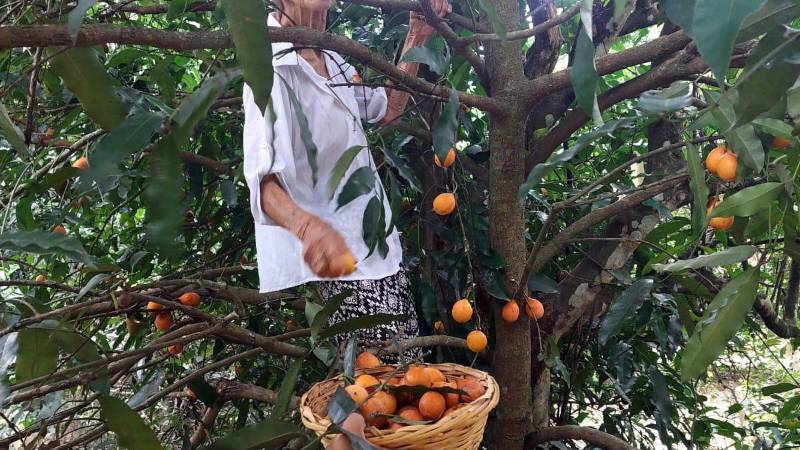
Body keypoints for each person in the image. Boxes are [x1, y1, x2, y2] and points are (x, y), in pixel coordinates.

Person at [243, 0, 451, 354]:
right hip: (339, 261)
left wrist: (417, 34)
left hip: (375, 248)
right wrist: (308, 230)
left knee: (409, 378)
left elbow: (387, 107)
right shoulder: (270, 69)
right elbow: (261, 181)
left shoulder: (332, 56)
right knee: (383, 388)